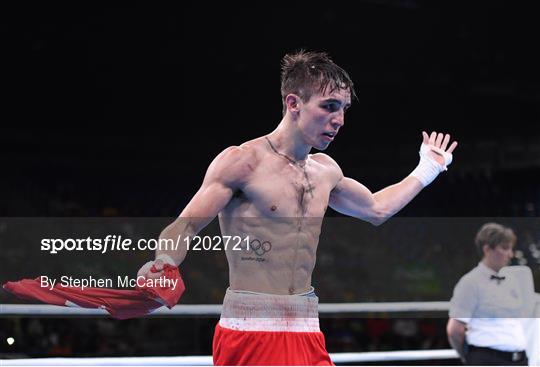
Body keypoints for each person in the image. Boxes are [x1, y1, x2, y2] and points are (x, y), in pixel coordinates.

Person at [138, 50, 458, 365]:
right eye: (329, 107)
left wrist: (427, 168)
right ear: (293, 103)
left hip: (306, 325)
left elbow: (376, 209)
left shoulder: (326, 171)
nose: (340, 120)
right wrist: (163, 262)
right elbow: (185, 226)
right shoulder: (243, 162)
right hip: (252, 329)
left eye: (344, 109)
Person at [447, 223, 529, 365]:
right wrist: (468, 357)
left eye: (511, 248)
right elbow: (454, 330)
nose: (510, 254)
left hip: (519, 359)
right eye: (505, 248)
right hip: (487, 359)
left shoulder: (513, 280)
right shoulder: (470, 282)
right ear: (487, 249)